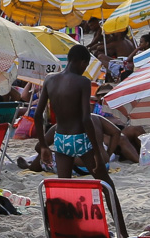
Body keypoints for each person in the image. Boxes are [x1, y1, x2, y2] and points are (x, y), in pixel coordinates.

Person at [35, 45, 106, 180]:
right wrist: (97, 152)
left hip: (60, 139)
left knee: (64, 184)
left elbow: (38, 115)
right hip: (79, 138)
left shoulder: (49, 79)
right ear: (83, 62)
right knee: (105, 183)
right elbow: (86, 119)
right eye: (85, 66)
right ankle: (112, 202)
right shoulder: (83, 82)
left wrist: (44, 145)